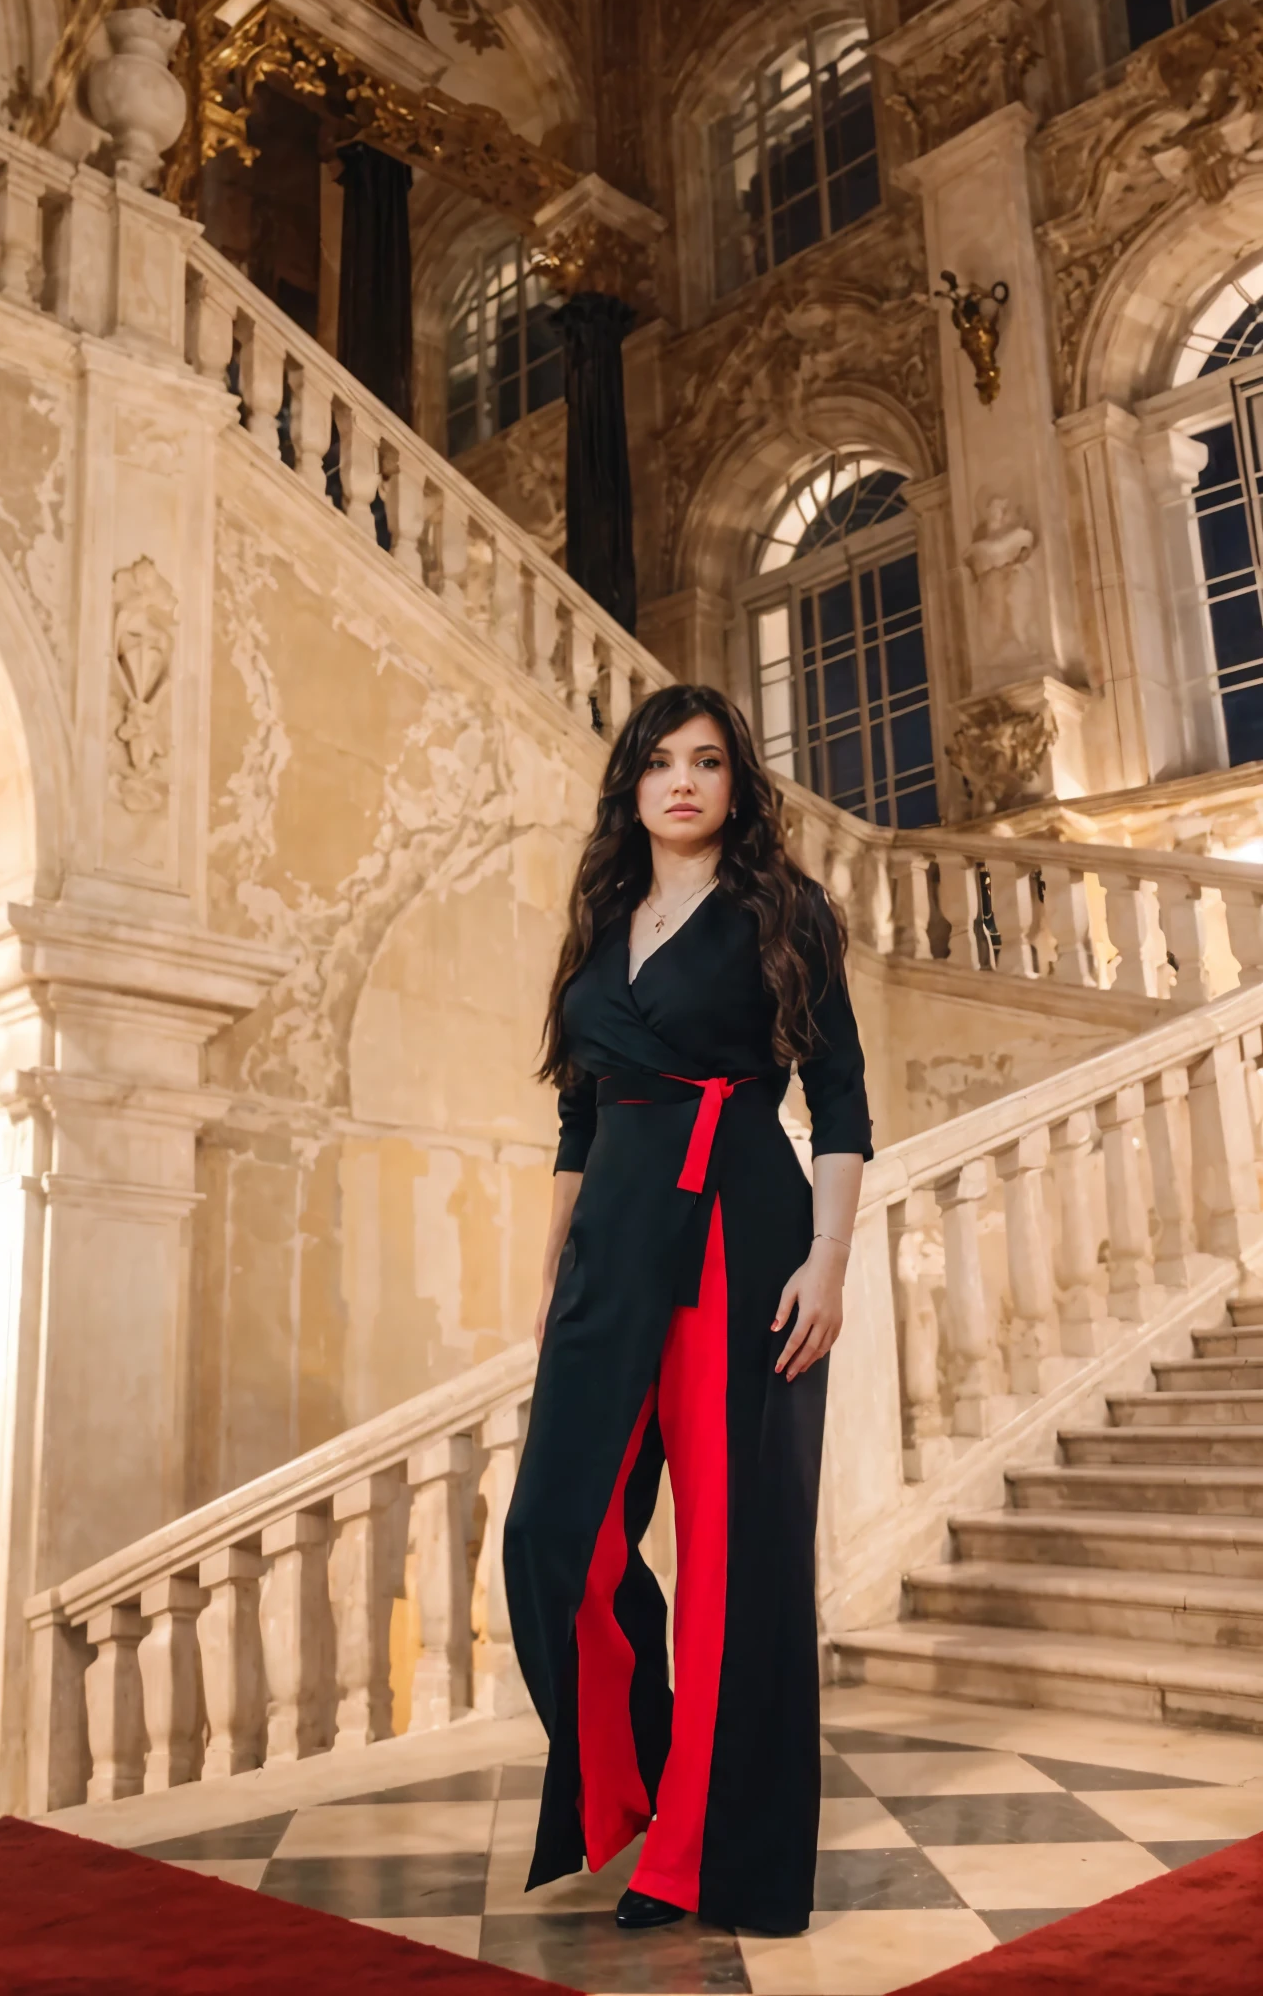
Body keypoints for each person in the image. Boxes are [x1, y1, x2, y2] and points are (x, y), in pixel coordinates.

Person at [502, 682, 871, 1937]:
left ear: (734, 784)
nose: (682, 782)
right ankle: (649, 1775)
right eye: (659, 761)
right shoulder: (602, 917)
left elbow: (842, 1100)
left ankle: (704, 1853)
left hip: (741, 1227)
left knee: (732, 1558)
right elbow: (578, 1114)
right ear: (632, 785)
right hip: (613, 1240)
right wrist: (553, 1274)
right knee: (556, 1534)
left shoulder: (783, 911)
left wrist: (826, 1261)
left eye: (706, 762)